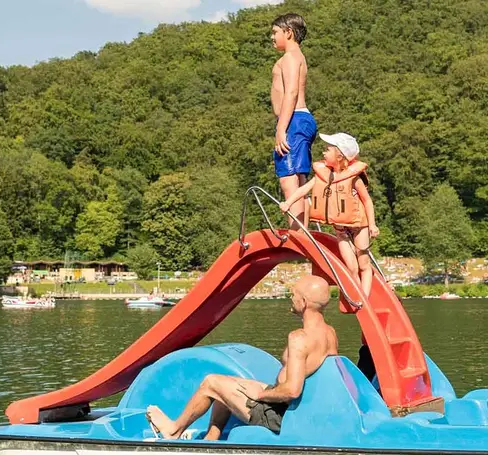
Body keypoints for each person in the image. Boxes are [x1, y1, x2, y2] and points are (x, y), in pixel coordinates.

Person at [145, 275, 338, 440]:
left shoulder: (299, 338)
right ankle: (211, 440)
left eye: (293, 294)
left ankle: (174, 430)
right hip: (297, 407)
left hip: (281, 415)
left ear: (303, 302)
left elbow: (292, 390)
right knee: (226, 383)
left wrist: (260, 395)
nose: (291, 298)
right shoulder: (329, 333)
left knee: (211, 382)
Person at [279, 133, 378, 296]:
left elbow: (367, 201)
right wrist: (288, 203)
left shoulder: (354, 179)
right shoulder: (323, 175)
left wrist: (372, 225)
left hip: (360, 225)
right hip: (341, 229)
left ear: (340, 156)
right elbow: (304, 190)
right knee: (351, 266)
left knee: (363, 262)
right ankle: (358, 294)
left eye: (327, 149)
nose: (323, 152)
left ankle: (365, 297)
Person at [268, 13, 315, 225]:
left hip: (293, 120)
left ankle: (298, 235)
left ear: (289, 32)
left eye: (275, 32)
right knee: (298, 179)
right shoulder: (298, 57)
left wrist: (281, 128)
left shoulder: (289, 57)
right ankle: (302, 233)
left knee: (289, 180)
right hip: (300, 119)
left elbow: (292, 92)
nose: (272, 37)